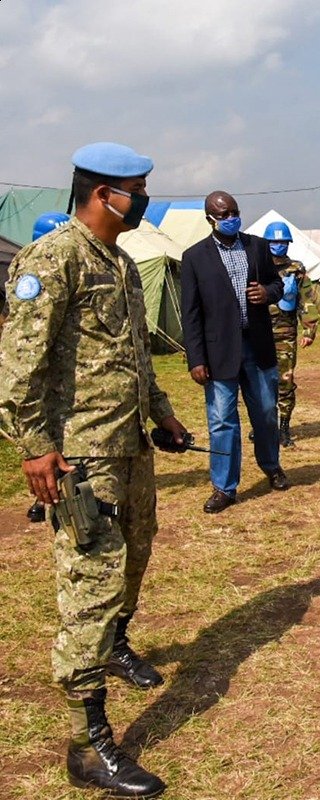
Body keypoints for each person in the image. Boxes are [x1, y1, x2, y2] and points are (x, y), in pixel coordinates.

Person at [0, 142, 192, 798]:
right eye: (135, 190)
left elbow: (135, 353)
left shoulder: (121, 263)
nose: (142, 200)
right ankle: (90, 747)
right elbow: (19, 364)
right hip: (81, 457)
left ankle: (115, 644)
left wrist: (162, 414)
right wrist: (32, 446)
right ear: (101, 193)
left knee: (133, 558)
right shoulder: (52, 259)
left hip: (128, 445)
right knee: (89, 584)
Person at [180, 191, 287, 513]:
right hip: (218, 353)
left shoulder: (256, 246)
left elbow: (277, 285)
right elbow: (191, 312)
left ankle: (271, 466)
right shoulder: (195, 257)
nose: (230, 219)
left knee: (267, 413)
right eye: (223, 215)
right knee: (222, 421)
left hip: (257, 346)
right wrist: (196, 359)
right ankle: (224, 487)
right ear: (210, 218)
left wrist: (266, 292)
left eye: (234, 213)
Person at [19, 212, 72, 525]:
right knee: (39, 437)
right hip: (41, 372)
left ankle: (54, 493)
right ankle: (41, 497)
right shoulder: (31, 273)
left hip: (65, 373)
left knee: (63, 435)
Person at [263, 221, 318, 448]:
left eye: (283, 241)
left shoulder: (297, 269)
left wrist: (309, 329)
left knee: (285, 382)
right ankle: (264, 427)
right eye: (275, 241)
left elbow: (307, 300)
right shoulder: (256, 267)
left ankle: (284, 428)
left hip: (285, 334)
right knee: (260, 384)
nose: (279, 245)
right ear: (267, 243)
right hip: (259, 334)